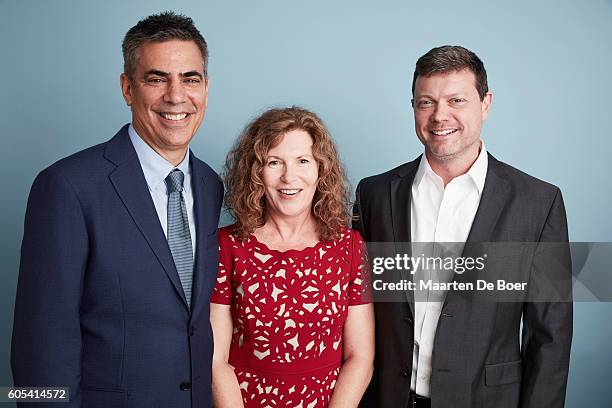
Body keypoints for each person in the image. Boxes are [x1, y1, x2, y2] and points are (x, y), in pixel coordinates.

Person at [11, 12, 223, 408]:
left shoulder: (211, 185)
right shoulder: (66, 187)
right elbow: (39, 341)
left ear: (206, 88)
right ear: (128, 88)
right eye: (156, 78)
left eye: (190, 79)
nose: (176, 96)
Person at [354, 46, 572, 408]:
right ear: (413, 107)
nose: (440, 116)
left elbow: (550, 335)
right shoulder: (374, 193)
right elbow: (354, 307)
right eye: (426, 102)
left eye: (456, 100)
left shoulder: (538, 202)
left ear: (485, 104)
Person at [210, 107, 374, 407]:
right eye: (274, 162)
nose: (289, 177)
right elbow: (216, 360)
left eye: (302, 161)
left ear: (320, 170)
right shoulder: (228, 246)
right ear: (255, 172)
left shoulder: (350, 247)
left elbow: (360, 357)